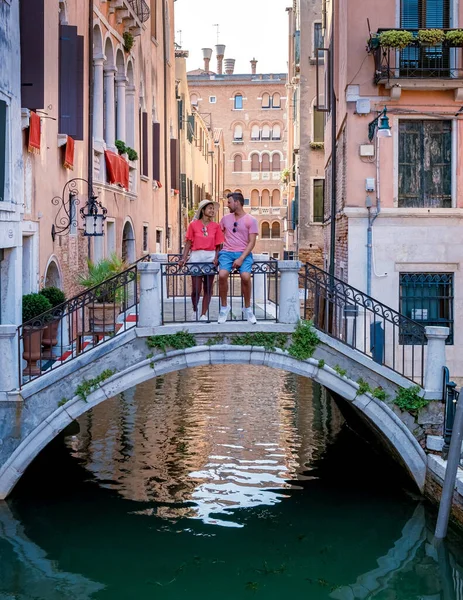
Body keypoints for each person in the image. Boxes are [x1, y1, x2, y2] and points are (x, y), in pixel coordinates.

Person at [217, 192, 258, 324]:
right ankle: (224, 307)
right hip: (226, 253)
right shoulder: (225, 219)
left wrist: (241, 258)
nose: (227, 205)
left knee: (245, 277)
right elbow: (218, 237)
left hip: (243, 253)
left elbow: (252, 242)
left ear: (237, 203)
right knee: (222, 275)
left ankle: (247, 308)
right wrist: (216, 254)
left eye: (229, 202)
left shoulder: (251, 220)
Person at [179, 199, 223, 321]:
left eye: (213, 208)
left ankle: (204, 314)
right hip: (196, 257)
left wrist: (216, 258)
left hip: (210, 257)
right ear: (203, 210)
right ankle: (194, 309)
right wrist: (183, 259)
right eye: (209, 208)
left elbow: (219, 245)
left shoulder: (216, 226)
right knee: (196, 289)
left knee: (208, 288)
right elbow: (188, 243)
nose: (212, 210)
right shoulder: (193, 225)